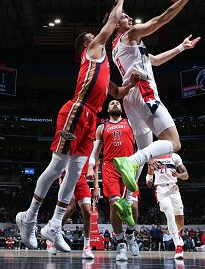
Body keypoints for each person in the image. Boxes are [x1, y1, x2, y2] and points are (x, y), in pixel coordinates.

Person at [16, 0, 136, 252]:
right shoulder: (93, 49)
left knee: (75, 173)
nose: (99, 36)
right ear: (86, 43)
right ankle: (29, 216)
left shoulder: (105, 62)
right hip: (76, 111)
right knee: (57, 167)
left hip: (92, 117)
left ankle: (54, 225)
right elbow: (111, 23)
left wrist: (132, 84)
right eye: (95, 36)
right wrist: (121, 1)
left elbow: (115, 91)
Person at [109, 0, 198, 212]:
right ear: (118, 24)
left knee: (144, 150)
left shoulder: (119, 47)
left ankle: (126, 200)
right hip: (144, 94)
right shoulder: (131, 35)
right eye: (125, 16)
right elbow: (161, 19)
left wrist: (181, 47)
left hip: (130, 100)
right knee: (174, 143)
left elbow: (155, 60)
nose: (130, 19)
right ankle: (130, 162)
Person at [88, 100, 140, 261]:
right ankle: (121, 243)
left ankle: (130, 233)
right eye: (112, 103)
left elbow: (142, 144)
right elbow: (95, 152)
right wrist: (91, 166)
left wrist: (147, 160)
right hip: (110, 167)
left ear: (122, 108)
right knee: (114, 204)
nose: (115, 104)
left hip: (129, 165)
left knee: (133, 205)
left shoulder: (131, 122)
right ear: (107, 109)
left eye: (117, 103)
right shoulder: (102, 128)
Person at [46, 160, 99, 259]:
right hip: (68, 176)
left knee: (88, 212)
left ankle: (86, 247)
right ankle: (51, 237)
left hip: (82, 180)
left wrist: (96, 187)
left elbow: (95, 168)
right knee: (70, 207)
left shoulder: (95, 147)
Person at [146, 153, 188, 260]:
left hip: (174, 189)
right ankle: (178, 247)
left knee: (180, 222)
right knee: (169, 214)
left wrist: (178, 175)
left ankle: (177, 235)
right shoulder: (153, 157)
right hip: (160, 189)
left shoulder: (175, 156)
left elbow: (186, 175)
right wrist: (149, 180)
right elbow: (149, 175)